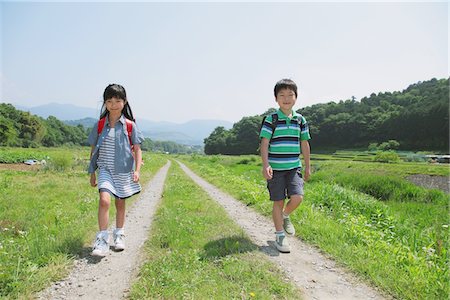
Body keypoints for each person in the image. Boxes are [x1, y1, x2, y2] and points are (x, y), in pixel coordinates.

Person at [87, 84, 144, 257]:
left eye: (118, 100)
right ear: (105, 103)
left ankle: (119, 235)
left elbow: (137, 149)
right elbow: (93, 149)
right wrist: (92, 172)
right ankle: (102, 240)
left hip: (123, 171)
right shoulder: (100, 125)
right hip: (105, 169)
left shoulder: (129, 125)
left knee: (120, 203)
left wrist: (137, 170)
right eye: (109, 100)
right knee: (104, 201)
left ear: (124, 102)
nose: (113, 104)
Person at [259, 79, 311, 253]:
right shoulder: (271, 119)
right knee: (278, 201)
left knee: (298, 197)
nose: (286, 98)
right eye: (282, 95)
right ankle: (280, 235)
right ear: (276, 98)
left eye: (290, 95)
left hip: (293, 167)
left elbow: (304, 143)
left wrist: (307, 166)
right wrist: (265, 165)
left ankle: (285, 215)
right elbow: (264, 143)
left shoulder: (300, 120)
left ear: (296, 98)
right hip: (275, 169)